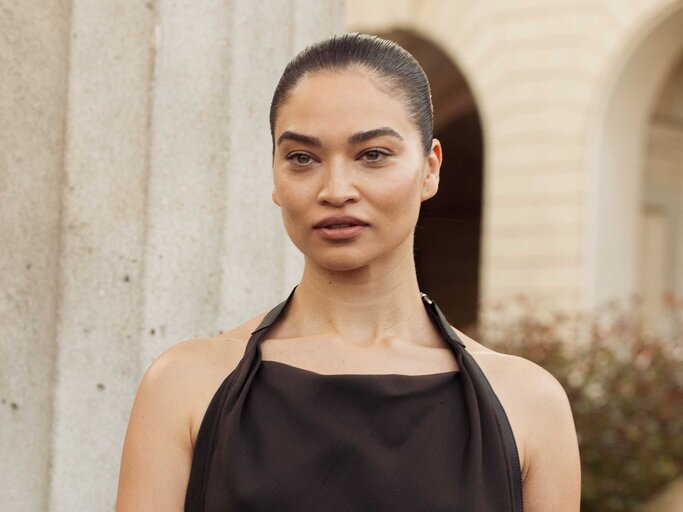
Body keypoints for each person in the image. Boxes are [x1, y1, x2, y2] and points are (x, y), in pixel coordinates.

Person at [116, 33, 581, 511]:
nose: (336, 189)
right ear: (275, 175)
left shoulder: (528, 403)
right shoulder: (186, 384)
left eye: (372, 155)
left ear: (430, 168)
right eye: (302, 158)